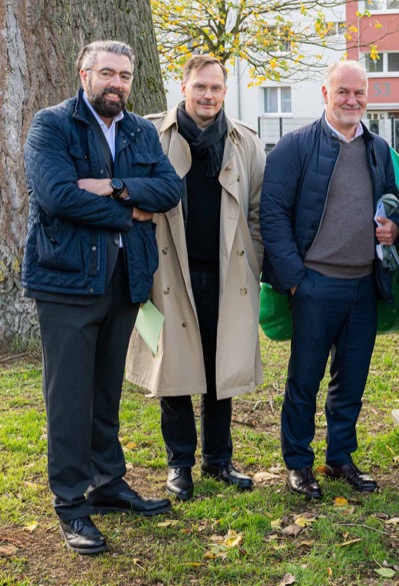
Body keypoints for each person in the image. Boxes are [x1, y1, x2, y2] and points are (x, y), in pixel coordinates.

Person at [21, 40, 182, 555]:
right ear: (84, 73)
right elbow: (57, 196)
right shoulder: (52, 125)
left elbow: (169, 190)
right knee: (69, 397)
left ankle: (107, 483)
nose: (117, 83)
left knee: (106, 390)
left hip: (124, 280)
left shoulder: (139, 131)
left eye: (125, 76)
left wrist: (111, 185)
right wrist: (130, 210)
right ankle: (71, 504)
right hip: (66, 282)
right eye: (107, 73)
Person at [125, 55, 265, 500]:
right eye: (200, 86)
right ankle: (179, 464)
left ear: (224, 91)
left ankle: (219, 460)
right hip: (169, 273)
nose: (208, 95)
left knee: (222, 367)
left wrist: (253, 262)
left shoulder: (246, 141)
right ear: (183, 87)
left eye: (216, 88)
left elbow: (257, 211)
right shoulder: (151, 135)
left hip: (228, 274)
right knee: (175, 370)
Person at [260, 60, 399, 499]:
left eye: (359, 93)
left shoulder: (378, 149)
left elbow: (391, 200)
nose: (351, 100)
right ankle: (299, 463)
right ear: (326, 94)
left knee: (351, 379)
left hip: (364, 284)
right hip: (315, 283)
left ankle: (340, 457)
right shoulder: (294, 147)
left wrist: (393, 226)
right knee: (304, 379)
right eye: (343, 92)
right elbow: (272, 215)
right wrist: (295, 280)